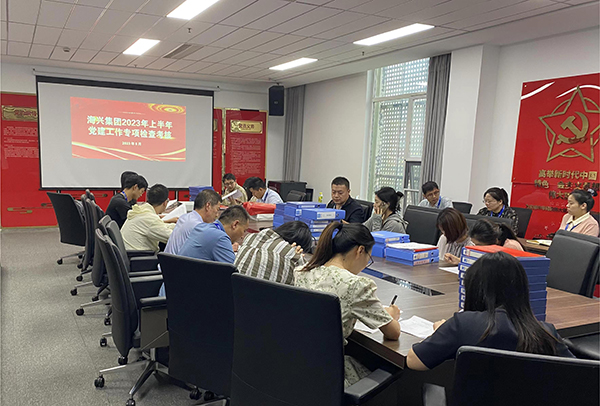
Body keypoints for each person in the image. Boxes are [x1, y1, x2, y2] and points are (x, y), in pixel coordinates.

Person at [406, 252, 573, 371]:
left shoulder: (464, 324)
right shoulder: (546, 332)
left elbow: (413, 361)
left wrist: (442, 331)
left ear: (476, 289)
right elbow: (580, 374)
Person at [294, 222, 401, 387]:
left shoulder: (302, 272)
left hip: (299, 367)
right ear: (360, 250)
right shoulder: (355, 285)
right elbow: (393, 333)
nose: (365, 265)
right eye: (369, 258)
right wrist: (391, 315)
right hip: (331, 376)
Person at [158, 189, 222, 296]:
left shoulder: (185, 218)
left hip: (168, 276)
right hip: (176, 285)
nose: (217, 214)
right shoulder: (198, 227)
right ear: (208, 206)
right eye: (217, 209)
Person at [234, 221, 312, 285]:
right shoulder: (292, 255)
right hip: (262, 298)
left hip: (234, 295)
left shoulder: (250, 237)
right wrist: (299, 257)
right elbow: (308, 281)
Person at [178, 205, 250, 263]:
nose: (242, 236)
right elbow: (233, 271)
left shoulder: (201, 226)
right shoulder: (221, 238)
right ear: (235, 224)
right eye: (244, 231)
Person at [121, 184, 175, 251]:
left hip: (132, 253)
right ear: (165, 203)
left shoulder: (142, 211)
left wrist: (177, 226)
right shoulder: (150, 218)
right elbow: (173, 237)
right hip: (140, 255)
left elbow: (161, 226)